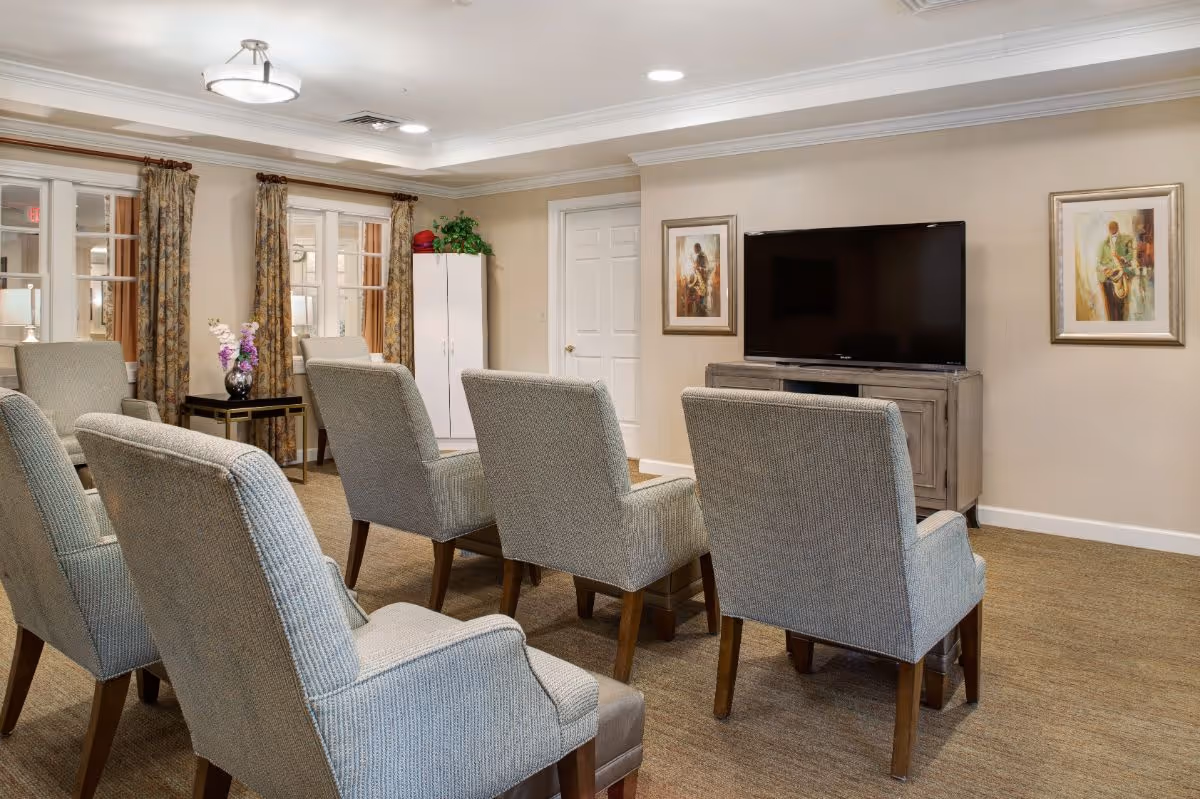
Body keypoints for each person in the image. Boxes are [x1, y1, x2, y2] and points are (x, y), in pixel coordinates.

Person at [1096, 220, 1137, 321]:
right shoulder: (1103, 243)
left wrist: (1121, 258)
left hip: (1120, 277)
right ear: (1109, 229)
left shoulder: (1127, 239)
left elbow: (1131, 255)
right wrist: (1104, 268)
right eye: (1110, 228)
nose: (1112, 229)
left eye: (1114, 227)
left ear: (1117, 227)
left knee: (1120, 309)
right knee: (1110, 308)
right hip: (1107, 278)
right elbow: (1098, 264)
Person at [685, 242, 710, 317]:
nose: (694, 250)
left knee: (701, 292)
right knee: (697, 292)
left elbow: (706, 268)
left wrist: (698, 268)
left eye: (695, 248)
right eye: (694, 249)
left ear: (698, 248)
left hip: (702, 278)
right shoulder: (699, 256)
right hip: (698, 278)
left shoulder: (702, 256)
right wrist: (695, 266)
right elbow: (696, 266)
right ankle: (699, 307)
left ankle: (701, 308)